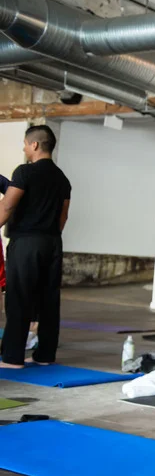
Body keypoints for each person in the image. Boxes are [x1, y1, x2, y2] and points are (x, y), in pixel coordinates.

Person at [0, 125, 72, 369]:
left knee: (19, 297)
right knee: (48, 299)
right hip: (52, 242)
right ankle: (45, 355)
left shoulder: (24, 172)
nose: (23, 147)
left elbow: (7, 206)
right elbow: (63, 216)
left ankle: (12, 358)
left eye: (24, 143)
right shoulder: (62, 178)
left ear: (34, 145)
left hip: (26, 243)